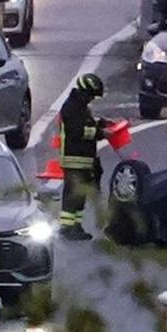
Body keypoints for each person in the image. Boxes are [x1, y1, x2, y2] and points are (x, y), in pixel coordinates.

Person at [58, 73, 109, 241]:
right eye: (91, 95)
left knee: (80, 197)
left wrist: (100, 124)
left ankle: (76, 226)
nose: (91, 99)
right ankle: (66, 228)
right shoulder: (71, 107)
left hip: (85, 159)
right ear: (84, 91)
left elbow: (86, 124)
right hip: (74, 159)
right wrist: (100, 133)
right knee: (73, 195)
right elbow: (78, 131)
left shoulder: (80, 106)